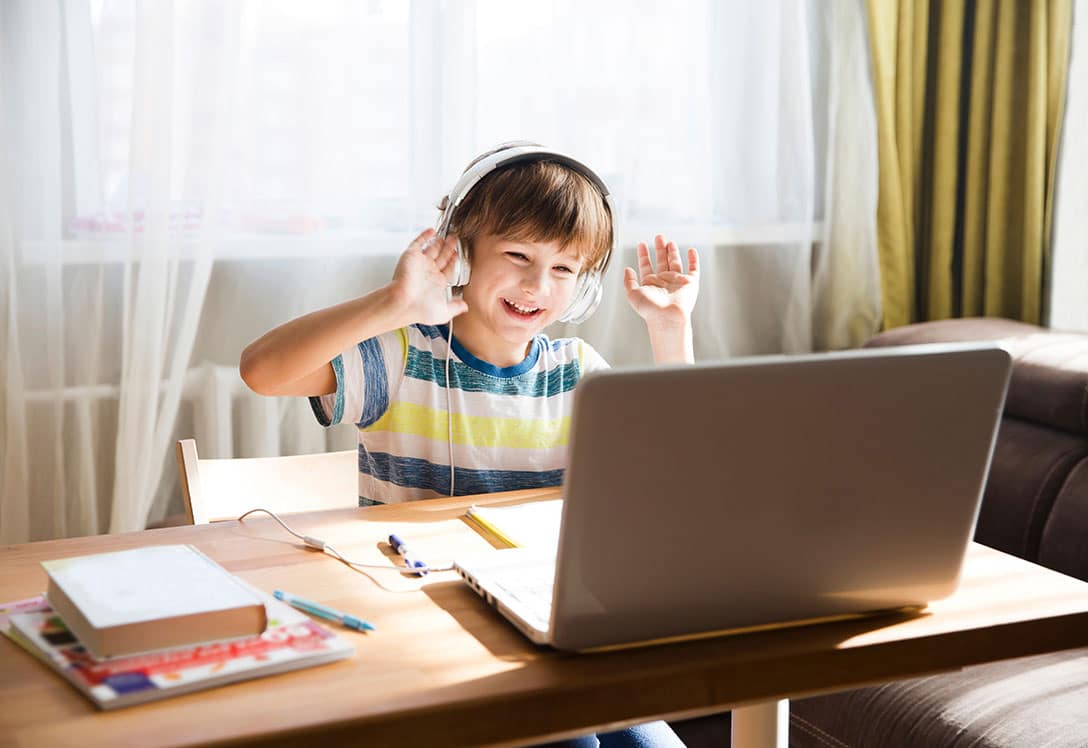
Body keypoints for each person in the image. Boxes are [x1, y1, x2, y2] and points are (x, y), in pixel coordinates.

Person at [240, 144, 698, 747]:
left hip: (545, 620)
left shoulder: (578, 371)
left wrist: (670, 330)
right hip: (430, 631)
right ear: (461, 253)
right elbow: (262, 370)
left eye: (564, 269)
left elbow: (682, 462)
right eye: (518, 255)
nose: (538, 285)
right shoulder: (403, 359)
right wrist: (392, 304)